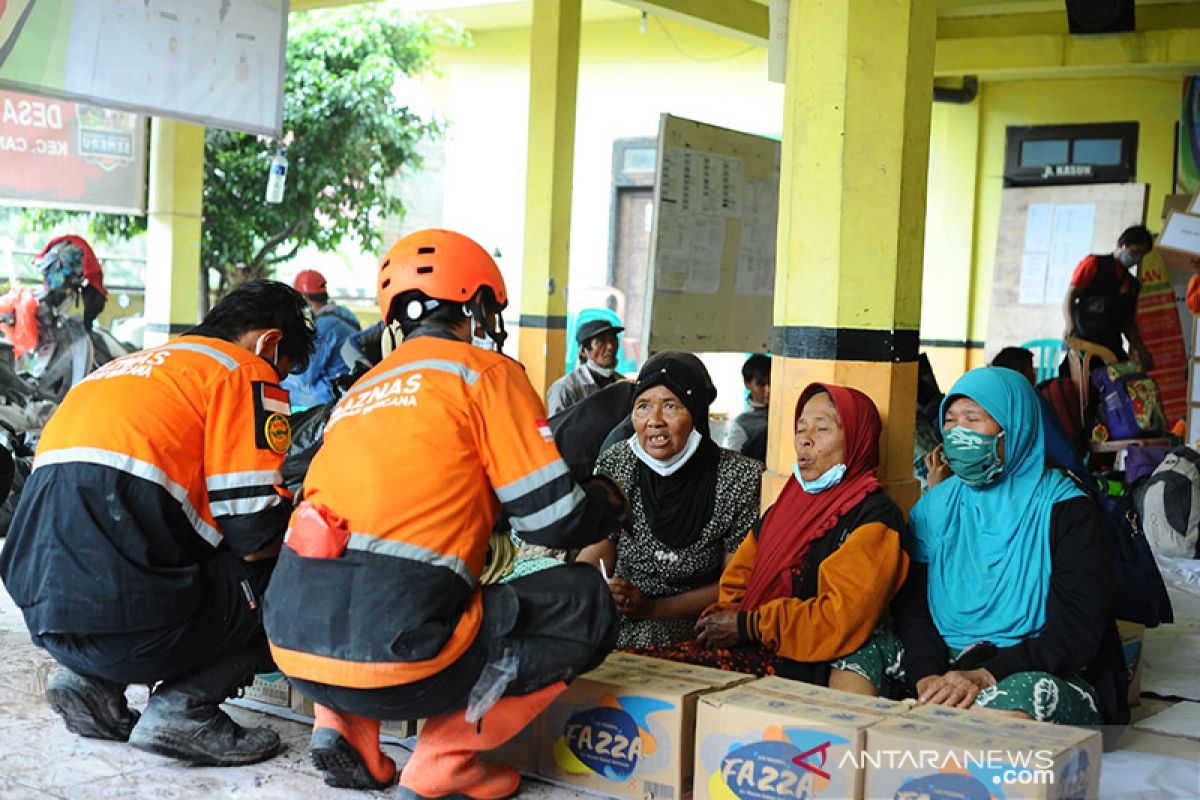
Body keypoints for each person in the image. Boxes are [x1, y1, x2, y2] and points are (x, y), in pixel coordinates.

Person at [263, 229, 627, 797]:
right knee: (584, 601)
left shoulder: (360, 393)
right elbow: (552, 522)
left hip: (292, 645)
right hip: (399, 660)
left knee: (386, 586)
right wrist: (606, 499)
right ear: (478, 305)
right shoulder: (486, 375)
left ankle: (342, 725)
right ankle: (447, 758)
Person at [0, 280, 316, 765]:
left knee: (157, 546)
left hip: (45, 617)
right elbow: (256, 535)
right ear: (269, 343)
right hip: (129, 620)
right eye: (286, 372)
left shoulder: (124, 369)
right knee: (294, 573)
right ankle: (184, 708)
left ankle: (90, 680)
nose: (282, 383)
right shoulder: (244, 370)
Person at [834, 368, 1129, 730]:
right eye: (951, 422)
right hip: (944, 658)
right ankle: (854, 760)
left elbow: (1076, 629)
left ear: (1015, 426)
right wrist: (926, 673)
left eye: (973, 420)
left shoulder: (1067, 510)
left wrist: (986, 674)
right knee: (857, 654)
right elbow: (912, 605)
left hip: (1034, 666)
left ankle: (949, 774)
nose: (959, 435)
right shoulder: (936, 507)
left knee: (1012, 703)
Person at [645, 384, 909, 686]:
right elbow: (737, 579)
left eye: (822, 429)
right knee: (641, 672)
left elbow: (840, 618)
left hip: (803, 665)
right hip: (749, 645)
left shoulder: (875, 517)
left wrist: (749, 625)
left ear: (857, 439)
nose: (805, 441)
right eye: (800, 429)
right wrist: (723, 618)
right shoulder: (787, 505)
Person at [576, 352, 763, 650]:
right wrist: (596, 588)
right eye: (643, 407)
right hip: (622, 614)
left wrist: (654, 609)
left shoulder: (739, 477)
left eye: (671, 406)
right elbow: (599, 548)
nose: (654, 421)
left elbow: (734, 583)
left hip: (695, 619)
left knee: (651, 642)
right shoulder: (617, 462)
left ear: (697, 411)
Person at [1062, 224, 1155, 369]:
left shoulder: (1132, 285)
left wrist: (1141, 350)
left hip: (1111, 347)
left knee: (1126, 382)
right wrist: (1070, 325)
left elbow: (1128, 323)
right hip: (1083, 341)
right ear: (1121, 244)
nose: (1137, 258)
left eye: (1141, 255)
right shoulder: (1094, 264)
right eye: (1135, 251)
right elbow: (1070, 295)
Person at [282, 269, 362, 411]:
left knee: (279, 384)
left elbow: (305, 376)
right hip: (353, 383)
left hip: (333, 392)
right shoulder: (345, 313)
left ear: (304, 298)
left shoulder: (323, 326)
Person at [545, 318, 624, 415]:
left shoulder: (623, 385)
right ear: (583, 351)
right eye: (600, 342)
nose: (610, 347)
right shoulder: (564, 389)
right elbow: (557, 428)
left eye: (613, 340)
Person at [723, 353, 771, 461]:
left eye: (771, 383)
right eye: (761, 384)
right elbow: (732, 462)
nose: (768, 390)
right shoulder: (741, 424)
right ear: (747, 383)